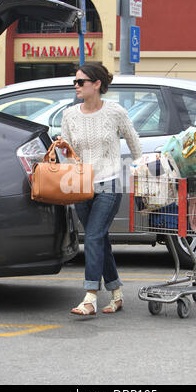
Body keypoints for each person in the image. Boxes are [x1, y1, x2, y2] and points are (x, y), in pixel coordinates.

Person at [60, 62, 142, 316]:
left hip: (110, 182)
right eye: (74, 82)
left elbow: (134, 143)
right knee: (100, 240)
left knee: (93, 236)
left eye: (80, 82)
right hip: (81, 185)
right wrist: (63, 149)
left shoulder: (115, 112)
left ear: (96, 84)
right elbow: (69, 152)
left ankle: (90, 296)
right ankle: (116, 293)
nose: (76, 86)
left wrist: (141, 169)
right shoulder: (69, 115)